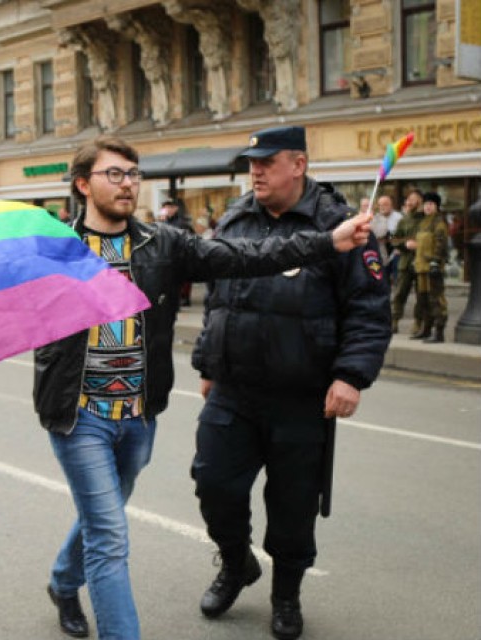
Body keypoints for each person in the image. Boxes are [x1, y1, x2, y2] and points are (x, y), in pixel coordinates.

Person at [34, 134, 373, 640]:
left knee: (101, 513)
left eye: (132, 174)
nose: (127, 184)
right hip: (79, 415)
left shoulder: (163, 244)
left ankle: (64, 582)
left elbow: (248, 256)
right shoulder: (53, 250)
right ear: (83, 184)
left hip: (136, 416)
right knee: (109, 535)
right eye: (114, 174)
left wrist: (328, 241)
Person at [190, 126, 390, 640]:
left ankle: (286, 596)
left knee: (294, 506)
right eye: (251, 162)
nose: (255, 169)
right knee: (213, 484)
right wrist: (209, 364)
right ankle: (236, 564)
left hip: (301, 398)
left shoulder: (343, 225)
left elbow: (369, 310)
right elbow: (219, 300)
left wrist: (350, 376)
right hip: (234, 390)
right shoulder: (236, 218)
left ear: (298, 165)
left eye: (267, 161)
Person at [408, 192, 448, 343]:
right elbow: (420, 245)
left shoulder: (439, 222)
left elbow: (440, 243)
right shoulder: (423, 222)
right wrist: (415, 262)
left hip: (432, 267)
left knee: (436, 300)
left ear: (436, 206)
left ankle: (439, 332)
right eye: (426, 204)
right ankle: (426, 329)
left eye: (431, 204)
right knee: (422, 300)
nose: (428, 207)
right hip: (421, 267)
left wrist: (436, 262)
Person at [391, 189, 425, 334]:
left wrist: (419, 245)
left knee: (421, 295)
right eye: (408, 199)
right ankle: (394, 321)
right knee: (399, 293)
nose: (408, 202)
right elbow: (394, 240)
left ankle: (418, 322)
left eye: (412, 199)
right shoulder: (404, 220)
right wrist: (404, 245)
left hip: (421, 263)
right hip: (405, 262)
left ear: (420, 201)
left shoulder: (427, 219)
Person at [156, 200, 195, 306]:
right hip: (167, 255)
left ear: (175, 209)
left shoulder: (182, 223)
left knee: (183, 279)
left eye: (170, 207)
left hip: (180, 254)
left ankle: (184, 297)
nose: (167, 210)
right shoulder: (161, 223)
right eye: (165, 207)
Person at [369, 194, 403, 286]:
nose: (382, 207)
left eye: (385, 204)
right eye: (380, 205)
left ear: (391, 205)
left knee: (397, 279)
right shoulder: (375, 218)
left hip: (396, 252)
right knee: (383, 280)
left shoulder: (399, 218)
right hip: (381, 253)